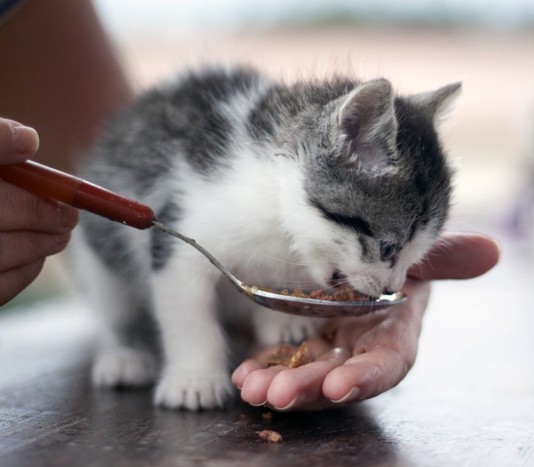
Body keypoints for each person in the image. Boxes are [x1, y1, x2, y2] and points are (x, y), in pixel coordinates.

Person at [0, 0, 500, 410]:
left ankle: (255, 321)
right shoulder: (240, 184)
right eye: (389, 251)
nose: (391, 286)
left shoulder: (310, 210)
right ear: (345, 142)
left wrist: (279, 308)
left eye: (407, 261)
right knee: (150, 264)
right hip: (121, 272)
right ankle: (122, 338)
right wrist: (196, 364)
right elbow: (176, 257)